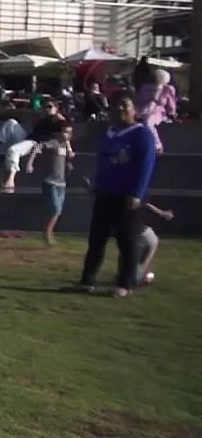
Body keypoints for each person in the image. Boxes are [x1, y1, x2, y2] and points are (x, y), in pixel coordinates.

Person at [79, 91, 157, 297]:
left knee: (127, 241)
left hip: (128, 196)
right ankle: (87, 280)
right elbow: (103, 163)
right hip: (105, 194)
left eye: (125, 105)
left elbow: (145, 166)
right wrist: (97, 185)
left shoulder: (142, 134)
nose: (120, 109)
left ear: (134, 109)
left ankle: (125, 283)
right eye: (116, 105)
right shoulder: (109, 133)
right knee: (96, 240)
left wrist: (136, 193)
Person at [36, 123, 75, 245]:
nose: (68, 135)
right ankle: (47, 232)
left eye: (70, 132)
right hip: (51, 182)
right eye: (65, 132)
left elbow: (66, 162)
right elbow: (41, 146)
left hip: (61, 183)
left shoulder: (66, 147)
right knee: (55, 209)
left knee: (57, 211)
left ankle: (48, 231)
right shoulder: (53, 144)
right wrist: (31, 162)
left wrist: (69, 165)